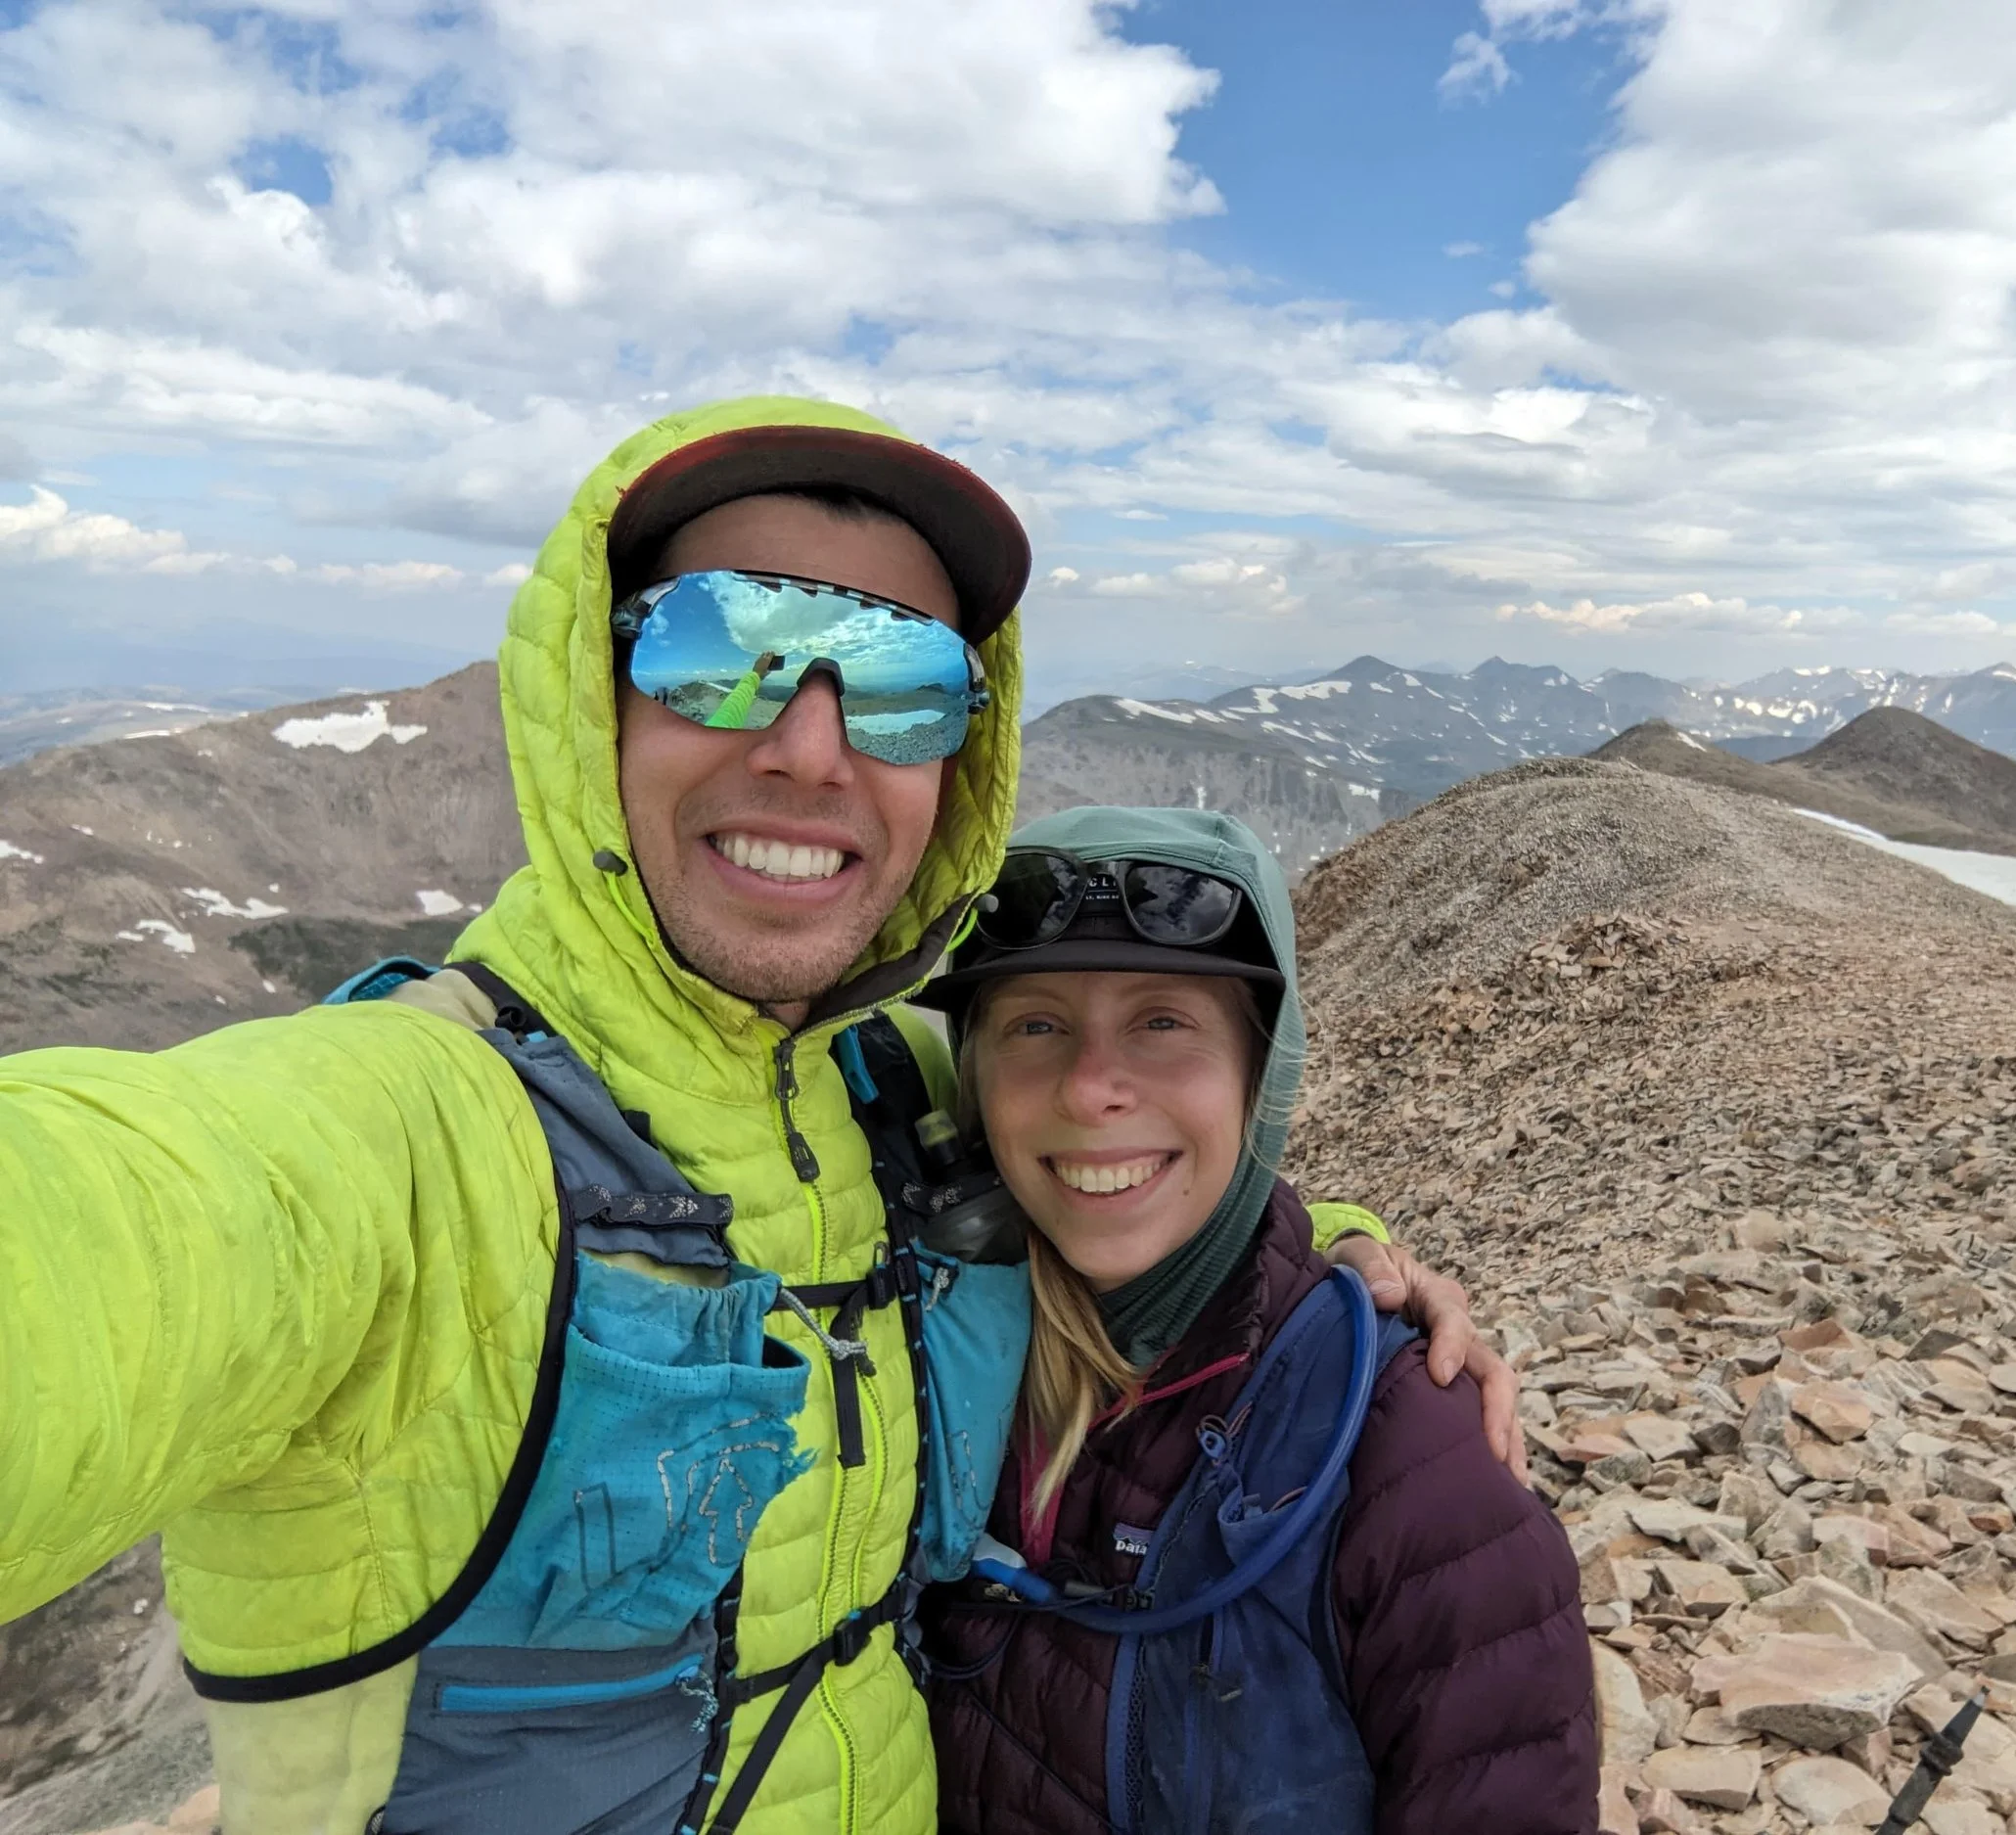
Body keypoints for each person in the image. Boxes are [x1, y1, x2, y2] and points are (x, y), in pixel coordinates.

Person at [0, 398, 1516, 1835]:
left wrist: (1344, 1265)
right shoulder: (403, 1128)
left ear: (958, 760)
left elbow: (1131, 1156)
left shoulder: (898, 1090)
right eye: (716, 646)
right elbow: (112, 1226)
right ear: (587, 696)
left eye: (903, 680)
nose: (806, 743)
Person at [920, 806, 1598, 1835]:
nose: (1093, 1086)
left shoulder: (1414, 1463)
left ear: (1260, 1080)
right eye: (1036, 1024)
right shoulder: (910, 1359)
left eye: (1163, 1022)